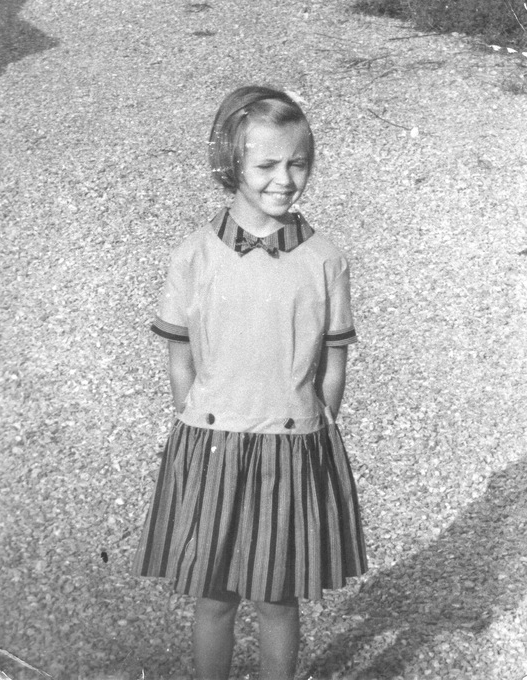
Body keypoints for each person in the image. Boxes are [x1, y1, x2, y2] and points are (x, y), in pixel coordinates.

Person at [133, 85, 368, 680]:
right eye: (266, 165)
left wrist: (319, 419)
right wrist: (193, 413)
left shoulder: (325, 260)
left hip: (291, 446)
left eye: (298, 163)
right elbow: (180, 350)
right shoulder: (194, 255)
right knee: (213, 596)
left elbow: (333, 359)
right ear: (230, 163)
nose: (285, 179)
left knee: (276, 597)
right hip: (211, 443)